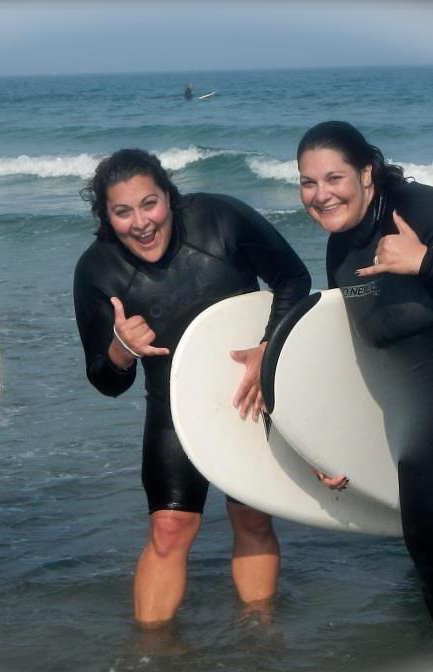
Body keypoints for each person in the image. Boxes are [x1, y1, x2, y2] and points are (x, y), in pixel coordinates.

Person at [295, 120, 433, 646]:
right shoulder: (339, 252)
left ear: (366, 173)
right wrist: (323, 443)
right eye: (307, 182)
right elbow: (361, 359)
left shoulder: (419, 209)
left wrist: (425, 262)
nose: (321, 195)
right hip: (428, 435)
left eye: (334, 178)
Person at [74, 148, 311, 627]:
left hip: (248, 394)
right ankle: (151, 653)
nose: (141, 222)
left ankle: (259, 633)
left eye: (150, 204)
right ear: (107, 217)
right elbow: (105, 381)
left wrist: (268, 347)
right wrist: (121, 350)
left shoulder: (219, 219)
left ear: (170, 198)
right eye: (123, 212)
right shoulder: (97, 271)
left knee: (252, 517)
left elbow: (293, 277)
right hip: (174, 408)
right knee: (169, 527)